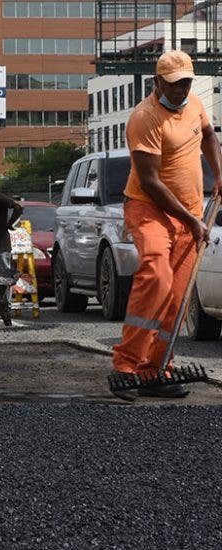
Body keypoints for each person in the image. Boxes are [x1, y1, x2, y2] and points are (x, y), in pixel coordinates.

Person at [111, 50, 222, 398]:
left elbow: (208, 136)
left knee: (177, 296)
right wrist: (191, 219)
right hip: (150, 210)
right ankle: (125, 366)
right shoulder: (145, 118)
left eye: (186, 82)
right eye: (174, 84)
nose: (180, 90)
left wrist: (219, 174)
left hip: (189, 213)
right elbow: (150, 182)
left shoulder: (194, 105)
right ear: (157, 81)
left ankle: (156, 369)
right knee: (156, 276)